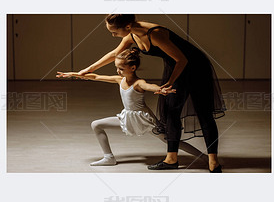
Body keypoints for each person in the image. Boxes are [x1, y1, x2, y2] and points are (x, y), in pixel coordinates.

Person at [77, 14, 226, 172]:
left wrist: (169, 81)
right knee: (171, 111)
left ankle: (213, 161)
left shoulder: (154, 33)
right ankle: (171, 159)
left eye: (114, 32)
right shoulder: (131, 35)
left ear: (127, 26)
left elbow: (182, 60)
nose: (113, 35)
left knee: (203, 112)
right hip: (176, 67)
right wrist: (89, 70)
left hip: (195, 67)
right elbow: (115, 54)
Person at [57, 48, 208, 167]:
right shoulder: (119, 79)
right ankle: (109, 157)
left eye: (121, 69)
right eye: (117, 68)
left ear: (133, 67)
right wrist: (74, 74)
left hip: (143, 119)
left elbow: (149, 86)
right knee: (96, 125)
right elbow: (96, 77)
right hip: (127, 117)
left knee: (171, 141)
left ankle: (204, 157)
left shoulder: (138, 83)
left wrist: (160, 89)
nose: (118, 71)